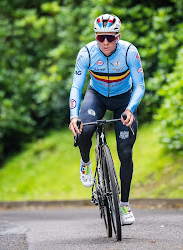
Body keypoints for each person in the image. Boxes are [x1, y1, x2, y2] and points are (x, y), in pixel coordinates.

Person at [68, 14, 145, 225]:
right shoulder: (86, 53)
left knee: (125, 151)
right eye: (100, 37)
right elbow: (76, 87)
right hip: (97, 96)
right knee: (83, 130)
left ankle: (125, 204)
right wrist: (74, 116)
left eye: (110, 38)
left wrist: (130, 109)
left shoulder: (130, 51)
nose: (105, 42)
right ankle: (85, 162)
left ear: (118, 37)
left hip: (124, 100)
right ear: (95, 36)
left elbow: (139, 86)